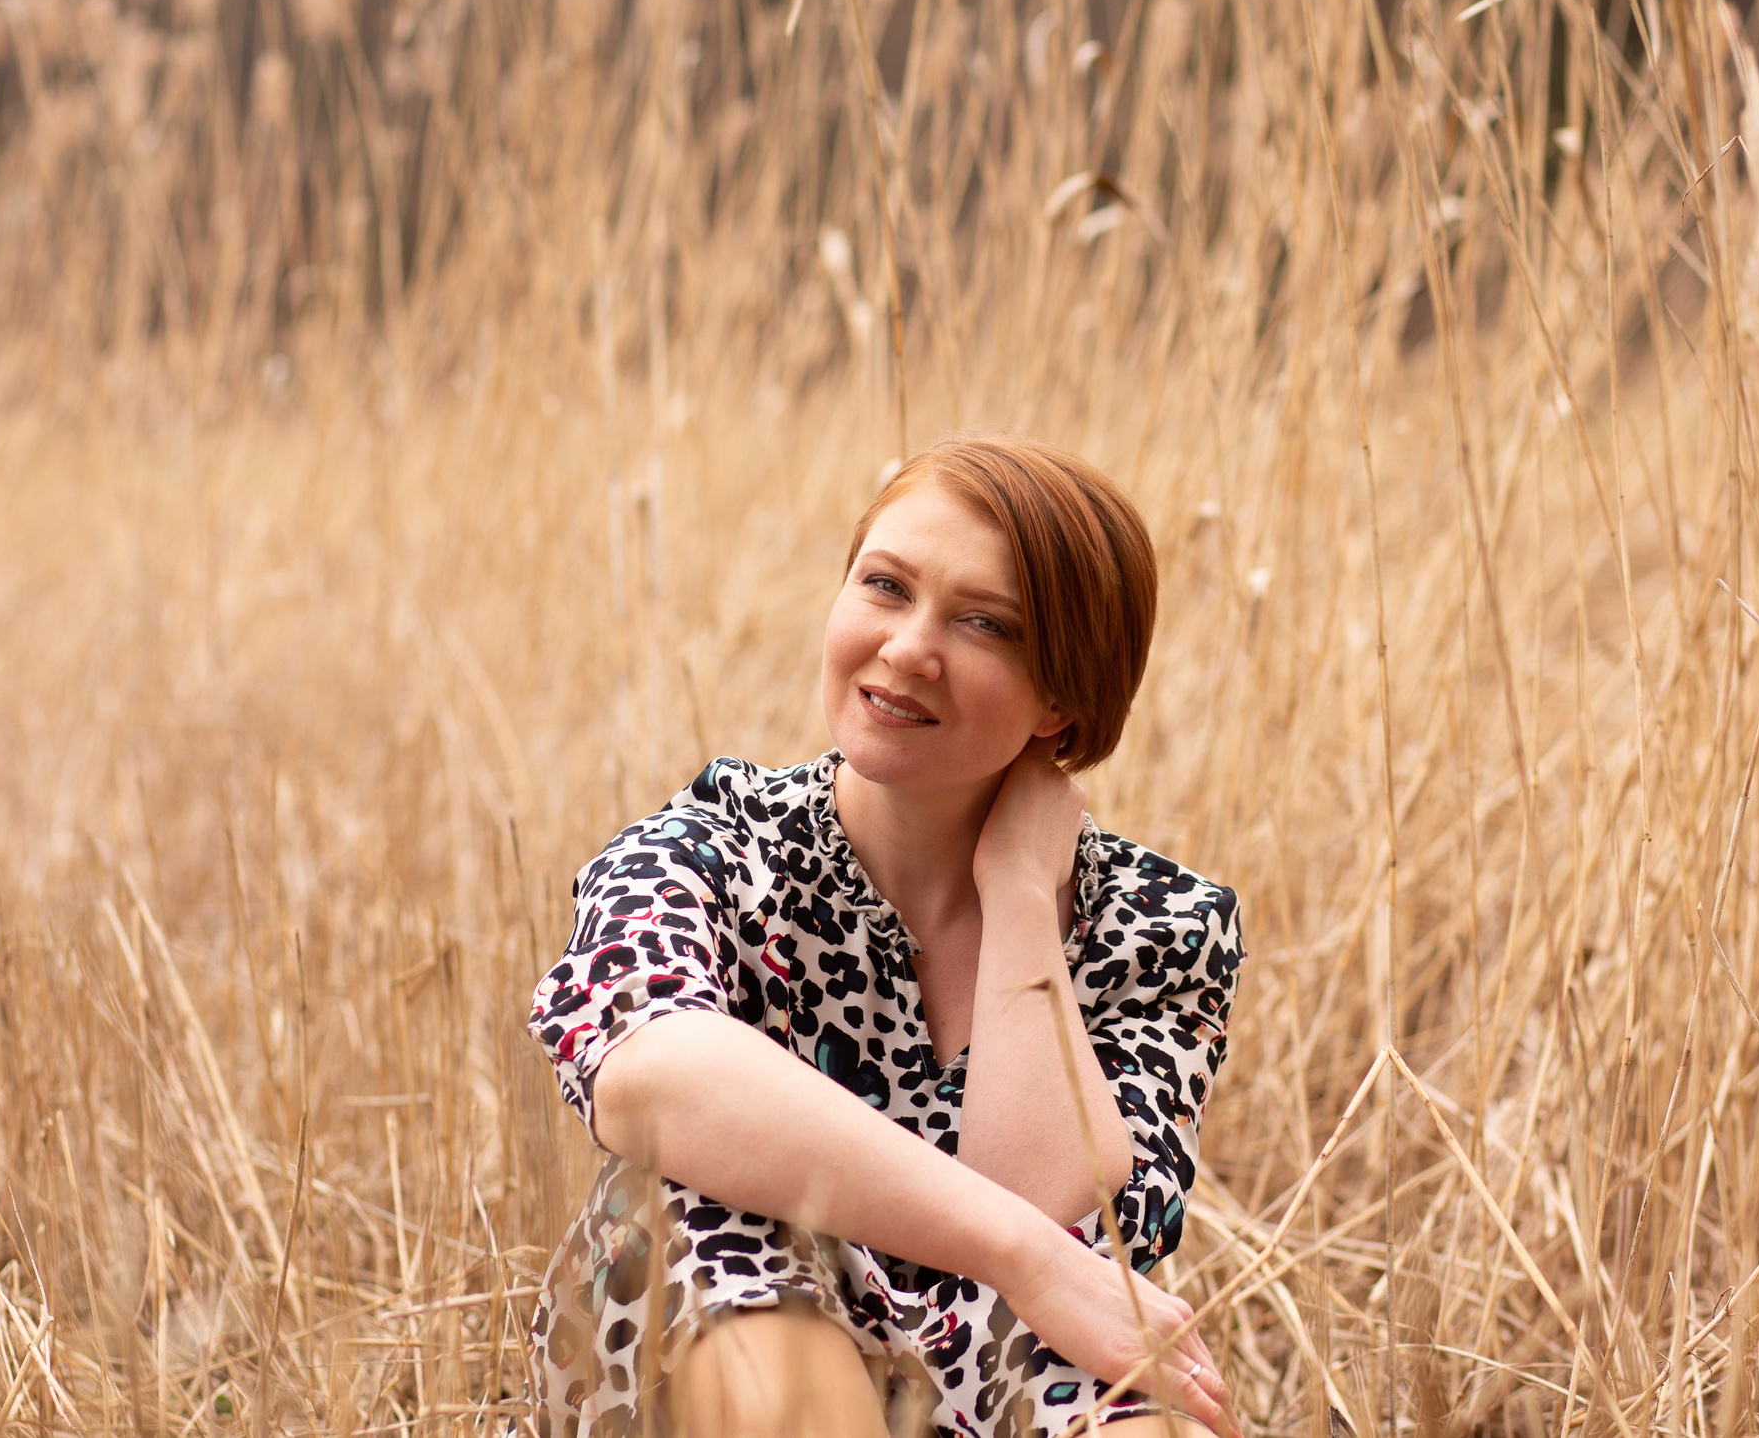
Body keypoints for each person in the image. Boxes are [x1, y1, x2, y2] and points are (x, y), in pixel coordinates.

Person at [527, 436, 1244, 1438]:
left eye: (986, 623)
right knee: (697, 1219)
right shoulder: (712, 848)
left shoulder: (1157, 929)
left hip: (1006, 1357)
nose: (908, 647)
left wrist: (1019, 898)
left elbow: (1047, 1193)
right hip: (728, 1331)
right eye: (884, 586)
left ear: (1063, 698)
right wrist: (1022, 1255)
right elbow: (646, 1077)